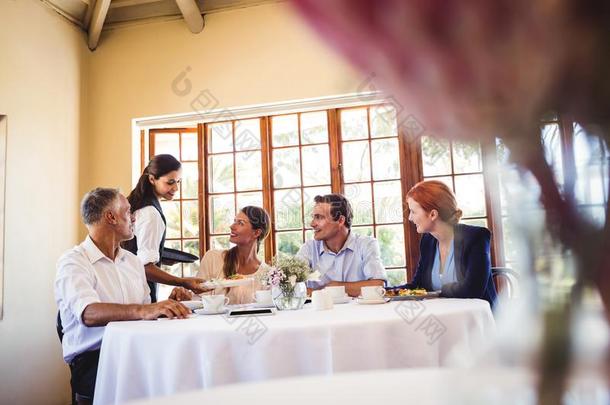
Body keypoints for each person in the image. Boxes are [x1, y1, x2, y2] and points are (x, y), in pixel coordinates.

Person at [55, 188, 191, 404]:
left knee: (186, 373)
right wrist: (144, 310)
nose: (134, 217)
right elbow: (89, 313)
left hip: (138, 350)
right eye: (128, 212)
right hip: (97, 359)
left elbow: (147, 314)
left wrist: (169, 305)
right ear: (111, 217)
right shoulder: (73, 262)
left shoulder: (133, 261)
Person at [395, 180, 497, 308]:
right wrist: (386, 291)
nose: (410, 218)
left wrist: (437, 292)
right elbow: (418, 285)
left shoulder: (476, 237)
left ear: (433, 214)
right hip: (443, 316)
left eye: (413, 212)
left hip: (476, 320)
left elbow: (473, 289)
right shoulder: (428, 241)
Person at [124, 154, 204, 302]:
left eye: (178, 181)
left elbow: (133, 250)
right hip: (137, 297)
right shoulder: (150, 213)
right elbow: (145, 267)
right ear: (152, 179)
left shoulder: (138, 203)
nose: (176, 188)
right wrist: (183, 281)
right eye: (170, 182)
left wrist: (161, 256)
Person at [297, 193, 387, 297]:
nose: (312, 224)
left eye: (319, 217)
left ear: (340, 220)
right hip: (320, 312)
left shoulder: (366, 244)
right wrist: (329, 290)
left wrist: (333, 288)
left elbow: (377, 287)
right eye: (313, 217)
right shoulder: (309, 248)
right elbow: (291, 287)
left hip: (359, 313)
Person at [196, 206, 271, 304]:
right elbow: (197, 298)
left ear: (256, 233)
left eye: (240, 223)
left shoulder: (266, 273)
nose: (232, 226)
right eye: (235, 221)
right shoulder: (212, 258)